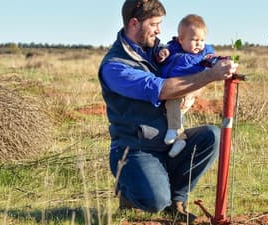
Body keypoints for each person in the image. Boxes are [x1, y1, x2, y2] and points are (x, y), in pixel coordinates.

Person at [98, 0, 238, 221]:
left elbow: (189, 72)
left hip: (168, 141)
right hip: (135, 150)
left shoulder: (159, 51)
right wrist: (210, 76)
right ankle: (130, 192)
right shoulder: (116, 66)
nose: (159, 30)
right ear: (135, 23)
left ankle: (177, 202)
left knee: (212, 135)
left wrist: (207, 75)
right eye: (154, 24)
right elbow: (161, 89)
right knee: (155, 201)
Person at [159, 14, 229, 158]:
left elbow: (211, 60)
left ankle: (175, 131)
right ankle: (180, 139)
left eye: (202, 40)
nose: (199, 44)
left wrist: (220, 61)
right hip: (170, 86)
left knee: (172, 105)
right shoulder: (174, 47)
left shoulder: (203, 55)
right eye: (194, 40)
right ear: (181, 39)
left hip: (185, 88)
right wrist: (163, 53)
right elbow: (166, 51)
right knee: (171, 113)